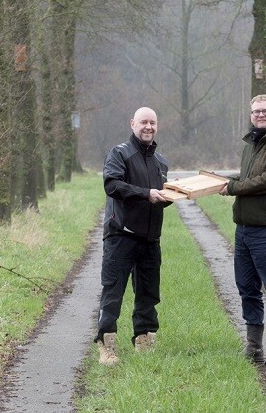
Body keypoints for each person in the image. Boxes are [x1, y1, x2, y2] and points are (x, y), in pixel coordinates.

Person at [219, 94, 266, 365]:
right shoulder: (251, 144)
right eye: (256, 112)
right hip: (244, 229)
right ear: (250, 115)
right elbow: (247, 177)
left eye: (265, 111)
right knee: (246, 287)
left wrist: (233, 188)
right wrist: (224, 182)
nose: (261, 115)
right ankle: (254, 345)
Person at [95, 107, 173, 366]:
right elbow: (112, 185)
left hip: (151, 240)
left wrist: (175, 194)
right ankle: (106, 348)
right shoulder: (119, 153)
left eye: (152, 122)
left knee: (149, 294)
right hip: (121, 236)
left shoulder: (160, 162)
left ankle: (144, 340)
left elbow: (160, 196)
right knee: (113, 291)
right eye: (143, 122)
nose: (148, 127)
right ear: (132, 124)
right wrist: (146, 193)